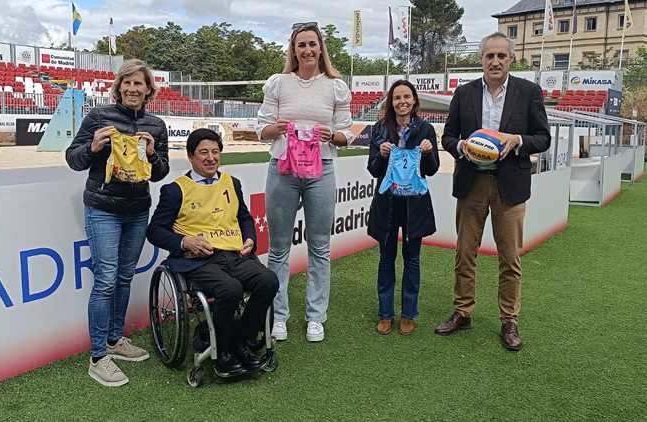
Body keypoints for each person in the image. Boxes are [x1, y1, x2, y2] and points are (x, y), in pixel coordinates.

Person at [435, 31, 551, 351]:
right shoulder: (465, 93)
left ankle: (509, 320)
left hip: (510, 185)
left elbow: (543, 138)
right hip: (472, 183)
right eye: (490, 56)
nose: (495, 61)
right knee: (464, 252)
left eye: (502, 56)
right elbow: (448, 137)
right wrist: (462, 146)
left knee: (510, 257)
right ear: (481, 59)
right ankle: (463, 312)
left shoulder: (528, 92)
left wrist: (517, 141)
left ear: (511, 59)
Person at [65, 59, 169, 386]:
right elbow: (73, 158)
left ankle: (114, 339)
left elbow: (162, 172)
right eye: (127, 83)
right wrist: (94, 147)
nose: (132, 89)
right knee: (106, 279)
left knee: (124, 277)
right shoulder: (98, 117)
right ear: (118, 87)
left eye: (138, 84)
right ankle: (98, 356)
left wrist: (152, 155)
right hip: (103, 209)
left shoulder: (155, 125)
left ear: (148, 89)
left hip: (138, 209)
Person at [146, 129, 279, 376]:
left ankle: (241, 340)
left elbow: (244, 218)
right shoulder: (176, 190)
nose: (210, 158)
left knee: (269, 281)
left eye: (215, 152)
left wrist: (250, 238)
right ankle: (224, 352)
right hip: (199, 260)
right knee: (230, 290)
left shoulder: (232, 183)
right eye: (203, 153)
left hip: (235, 255)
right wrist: (185, 242)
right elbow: (154, 231)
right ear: (190, 157)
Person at [256, 21, 353, 343]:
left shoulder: (336, 86)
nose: (308, 50)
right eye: (302, 45)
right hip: (283, 169)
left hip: (321, 170)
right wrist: (277, 129)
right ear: (294, 50)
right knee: (279, 248)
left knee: (320, 247)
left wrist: (334, 136)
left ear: (321, 48)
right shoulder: (279, 84)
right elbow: (262, 130)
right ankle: (278, 315)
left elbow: (346, 133)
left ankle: (316, 317)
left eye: (313, 44)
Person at [367, 80, 439, 336]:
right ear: (391, 102)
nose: (402, 102)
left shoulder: (426, 129)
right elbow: (373, 169)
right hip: (387, 205)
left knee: (412, 260)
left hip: (415, 207)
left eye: (406, 97)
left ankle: (409, 314)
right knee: (386, 259)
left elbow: (431, 169)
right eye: (397, 97)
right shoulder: (379, 129)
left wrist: (429, 152)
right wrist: (382, 155)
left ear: (414, 101)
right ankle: (386, 313)